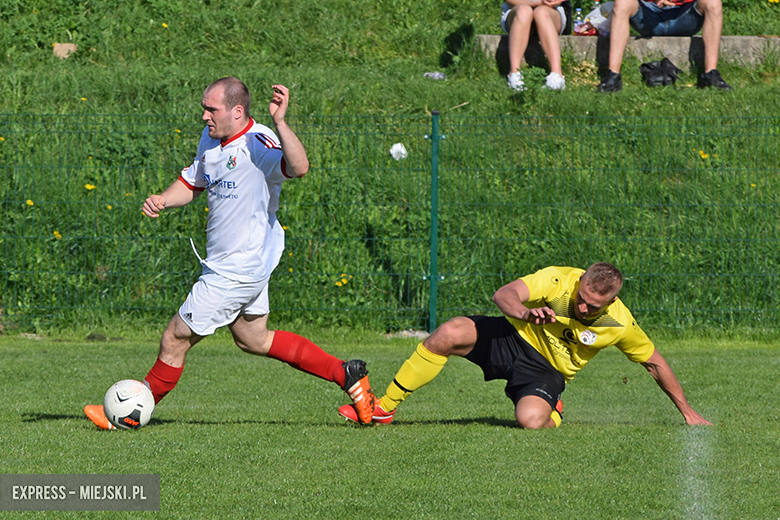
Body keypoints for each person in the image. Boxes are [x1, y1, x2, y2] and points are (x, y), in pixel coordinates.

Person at [84, 77, 376, 429]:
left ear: (237, 111)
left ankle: (129, 413)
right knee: (253, 338)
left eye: (212, 109)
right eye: (204, 108)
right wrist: (163, 199)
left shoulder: (259, 143)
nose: (204, 116)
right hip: (240, 264)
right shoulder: (211, 138)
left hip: (237, 268)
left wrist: (281, 123)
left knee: (175, 338)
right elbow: (193, 182)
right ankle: (346, 374)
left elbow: (299, 168)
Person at [339, 263, 712, 428]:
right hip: (512, 335)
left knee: (531, 422)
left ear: (611, 302)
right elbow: (504, 294)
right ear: (580, 281)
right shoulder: (558, 280)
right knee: (449, 332)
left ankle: (553, 408)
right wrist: (525, 313)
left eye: (592, 306)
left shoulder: (620, 324)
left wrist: (687, 411)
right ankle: (384, 408)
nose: (582, 308)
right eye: (581, 298)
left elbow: (655, 363)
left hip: (546, 370)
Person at [598, 0, 732, 92]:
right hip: (649, 15)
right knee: (622, 3)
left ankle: (710, 74)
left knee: (713, 2)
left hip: (684, 15)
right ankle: (613, 76)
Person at [502, 0, 573, 91]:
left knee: (541, 12)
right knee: (524, 10)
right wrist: (539, 2)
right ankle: (514, 73)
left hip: (551, 13)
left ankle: (557, 75)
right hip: (517, 12)